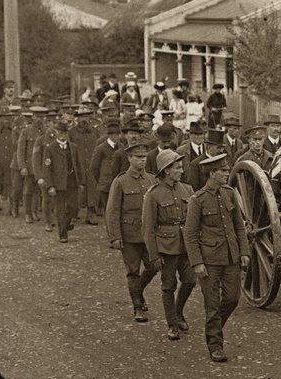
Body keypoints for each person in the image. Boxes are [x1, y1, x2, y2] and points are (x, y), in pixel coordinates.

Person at [184, 153, 249, 362]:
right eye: (223, 170)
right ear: (212, 173)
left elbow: (239, 226)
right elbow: (191, 235)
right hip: (209, 261)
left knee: (232, 298)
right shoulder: (197, 200)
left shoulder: (229, 194)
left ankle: (213, 327)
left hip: (231, 257)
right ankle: (215, 345)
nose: (227, 173)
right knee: (212, 304)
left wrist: (244, 252)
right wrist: (197, 263)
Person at [143, 150, 196, 340]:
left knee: (190, 280)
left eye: (181, 167)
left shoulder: (187, 190)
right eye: (178, 168)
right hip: (166, 247)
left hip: (186, 246)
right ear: (166, 170)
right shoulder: (153, 195)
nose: (181, 171)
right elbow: (148, 228)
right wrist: (153, 255)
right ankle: (172, 324)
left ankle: (178, 311)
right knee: (168, 286)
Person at [106, 142, 159, 322]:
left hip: (149, 235)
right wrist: (115, 237)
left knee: (154, 266)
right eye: (138, 157)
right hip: (129, 235)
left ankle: (139, 291)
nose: (142, 161)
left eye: (144, 157)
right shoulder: (120, 181)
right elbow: (112, 211)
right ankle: (137, 306)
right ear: (129, 158)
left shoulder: (152, 179)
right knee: (133, 271)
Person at [42, 121, 83, 243]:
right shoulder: (50, 149)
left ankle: (64, 224)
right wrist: (50, 186)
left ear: (67, 134)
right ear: (56, 133)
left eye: (64, 132)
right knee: (60, 209)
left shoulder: (73, 147)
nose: (62, 135)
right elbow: (46, 169)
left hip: (71, 182)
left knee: (74, 207)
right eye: (60, 132)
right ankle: (63, 234)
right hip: (58, 183)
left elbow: (79, 166)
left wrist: (81, 182)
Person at [70, 106, 100, 225]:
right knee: (77, 189)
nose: (84, 119)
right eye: (82, 116)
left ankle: (91, 214)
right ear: (77, 118)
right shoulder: (72, 132)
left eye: (86, 116)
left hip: (92, 165)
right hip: (78, 165)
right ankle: (73, 214)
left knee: (92, 188)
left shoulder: (94, 131)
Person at [90, 120, 122, 215]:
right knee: (108, 210)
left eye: (118, 134)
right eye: (115, 135)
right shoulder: (101, 148)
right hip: (105, 185)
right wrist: (101, 179)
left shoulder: (122, 147)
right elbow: (94, 167)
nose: (118, 137)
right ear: (110, 135)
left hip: (118, 183)